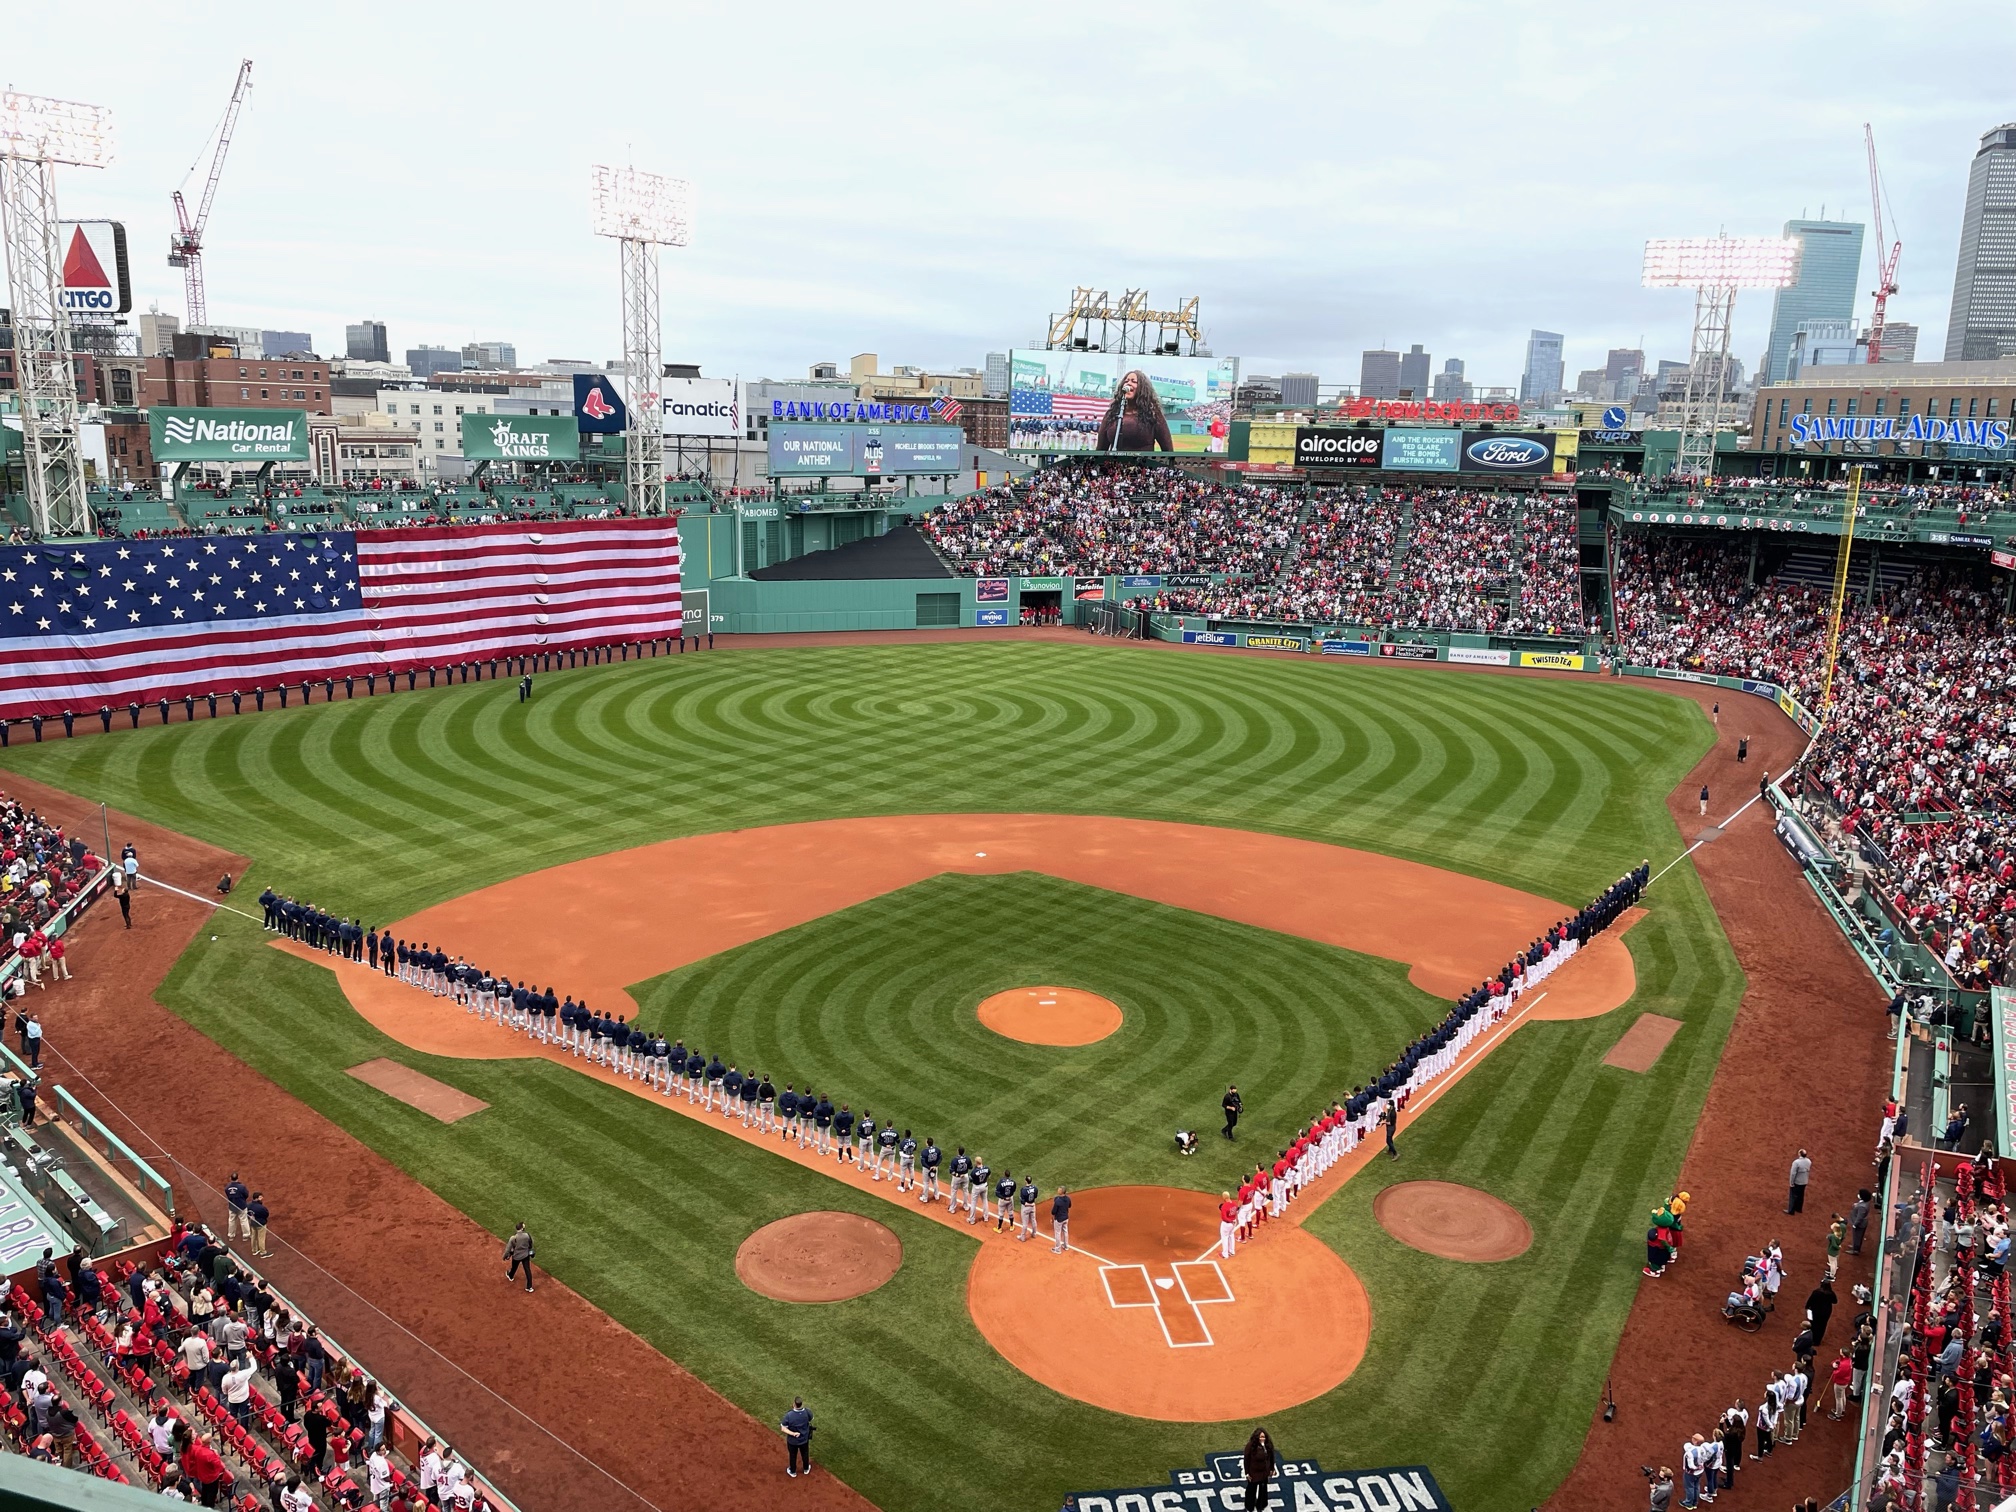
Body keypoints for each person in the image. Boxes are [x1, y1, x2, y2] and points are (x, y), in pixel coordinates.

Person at [1096, 370, 1174, 453]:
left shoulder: (1153, 414)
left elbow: (1167, 449)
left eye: (1134, 381)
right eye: (1126, 381)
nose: (1128, 383)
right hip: (1115, 465)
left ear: (1142, 388)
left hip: (1144, 464)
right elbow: (1100, 449)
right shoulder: (1111, 414)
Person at [1242, 1428, 1279, 1512]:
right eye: (1261, 1437)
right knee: (1251, 1489)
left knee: (1263, 1489)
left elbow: (1271, 1457)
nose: (1263, 1438)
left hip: (1264, 1472)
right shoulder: (1250, 1446)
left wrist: (1272, 1468)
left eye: (1264, 1437)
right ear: (1256, 1437)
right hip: (1253, 1473)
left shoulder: (1268, 1445)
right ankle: (1249, 1506)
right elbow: (1246, 1460)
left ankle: (1261, 1505)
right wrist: (1247, 1473)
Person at [780, 1396, 813, 1478]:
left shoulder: (789, 1415)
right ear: (801, 1404)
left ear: (794, 1404)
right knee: (805, 1453)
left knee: (793, 1455)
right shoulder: (807, 1412)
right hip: (804, 1439)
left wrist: (793, 1433)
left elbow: (783, 1428)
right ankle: (806, 1469)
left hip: (793, 1441)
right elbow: (811, 1419)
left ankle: (793, 1471)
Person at [503, 1222, 535, 1292]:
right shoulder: (527, 1235)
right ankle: (529, 1287)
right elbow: (531, 1245)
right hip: (526, 1255)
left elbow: (508, 1249)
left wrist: (504, 1256)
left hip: (516, 1256)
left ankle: (510, 1276)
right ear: (522, 1228)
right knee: (527, 1270)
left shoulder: (513, 1238)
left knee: (514, 1267)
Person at [1786, 1148, 1811, 1214]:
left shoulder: (1796, 1162)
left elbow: (1793, 1173)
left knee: (1793, 1196)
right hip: (1804, 1181)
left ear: (1800, 1154)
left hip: (1797, 1181)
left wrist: (1791, 1182)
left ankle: (1791, 1211)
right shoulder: (1808, 1161)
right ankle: (1799, 1209)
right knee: (1801, 1195)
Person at [1051, 1184, 1072, 1254]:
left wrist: (1052, 1218)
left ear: (1062, 1191)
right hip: (1066, 1218)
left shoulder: (1058, 1201)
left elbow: (1053, 1211)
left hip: (1059, 1219)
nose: (1057, 1190)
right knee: (1065, 1231)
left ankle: (1058, 1249)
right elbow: (1069, 1206)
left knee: (1057, 1233)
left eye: (1059, 1189)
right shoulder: (1068, 1198)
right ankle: (1066, 1246)